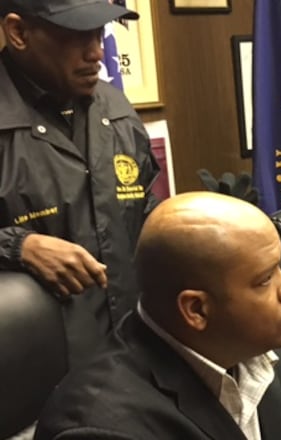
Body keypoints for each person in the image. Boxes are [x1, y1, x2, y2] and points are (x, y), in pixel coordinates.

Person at [34, 192, 281, 440]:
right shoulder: (98, 427)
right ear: (196, 310)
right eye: (265, 279)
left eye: (280, 268)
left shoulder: (277, 348)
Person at [0, 0, 159, 365]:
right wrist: (18, 248)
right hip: (30, 378)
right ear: (19, 32)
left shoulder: (115, 107)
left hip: (133, 358)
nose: (97, 53)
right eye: (77, 36)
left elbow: (141, 209)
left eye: (99, 34)